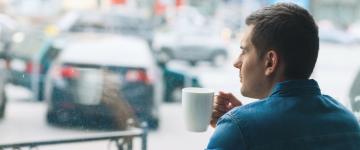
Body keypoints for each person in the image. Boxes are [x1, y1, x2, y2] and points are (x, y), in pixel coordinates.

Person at [206, 3, 360, 150]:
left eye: (244, 51)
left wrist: (234, 130)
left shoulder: (236, 129)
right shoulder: (349, 124)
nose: (236, 62)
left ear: (270, 62)